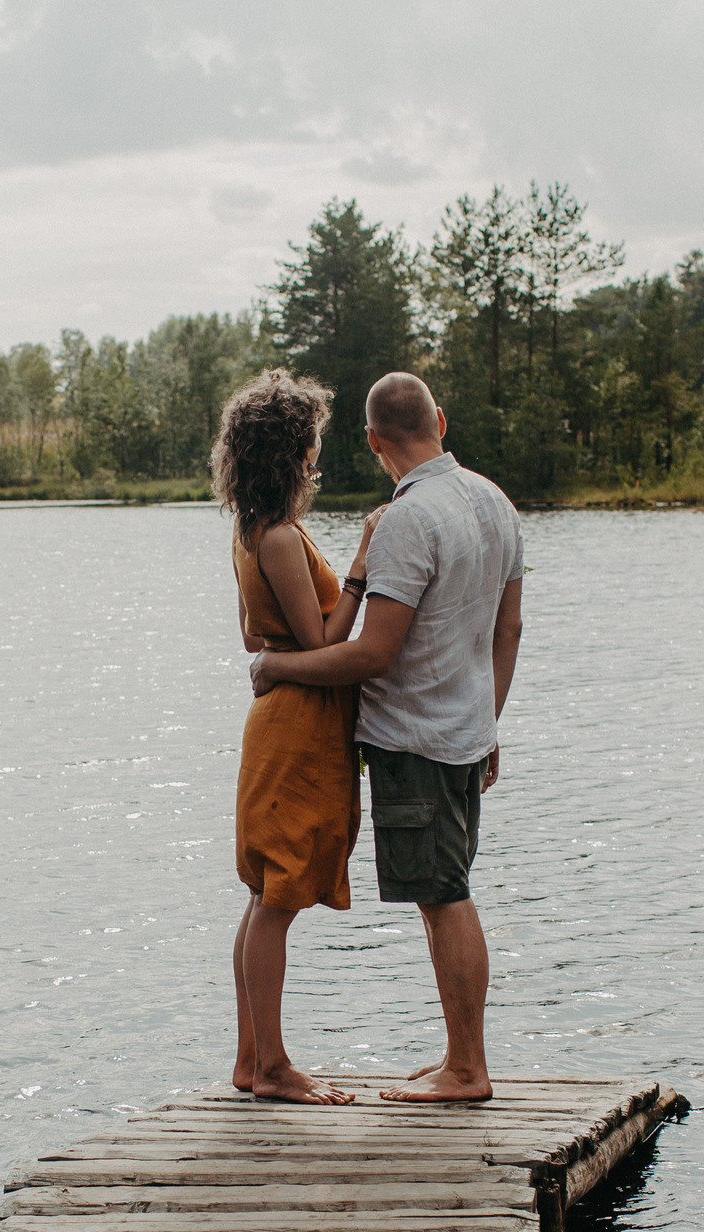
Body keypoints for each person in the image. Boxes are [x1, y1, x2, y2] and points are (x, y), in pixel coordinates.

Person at [249, 372, 523, 1103]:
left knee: (445, 894)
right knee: (445, 889)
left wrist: (274, 662)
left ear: (374, 442)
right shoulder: (496, 502)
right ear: (440, 416)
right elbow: (509, 629)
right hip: (466, 734)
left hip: (416, 740)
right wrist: (487, 719)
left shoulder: (407, 519)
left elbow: (373, 655)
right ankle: (458, 1056)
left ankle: (467, 1067)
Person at [212, 369, 392, 1105]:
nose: (320, 452)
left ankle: (253, 1058)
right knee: (277, 892)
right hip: (295, 726)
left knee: (266, 894)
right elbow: (323, 636)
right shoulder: (280, 537)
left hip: (290, 714)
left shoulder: (254, 529)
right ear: (292, 450)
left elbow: (257, 632)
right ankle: (273, 1065)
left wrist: (276, 657)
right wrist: (360, 567)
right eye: (312, 440)